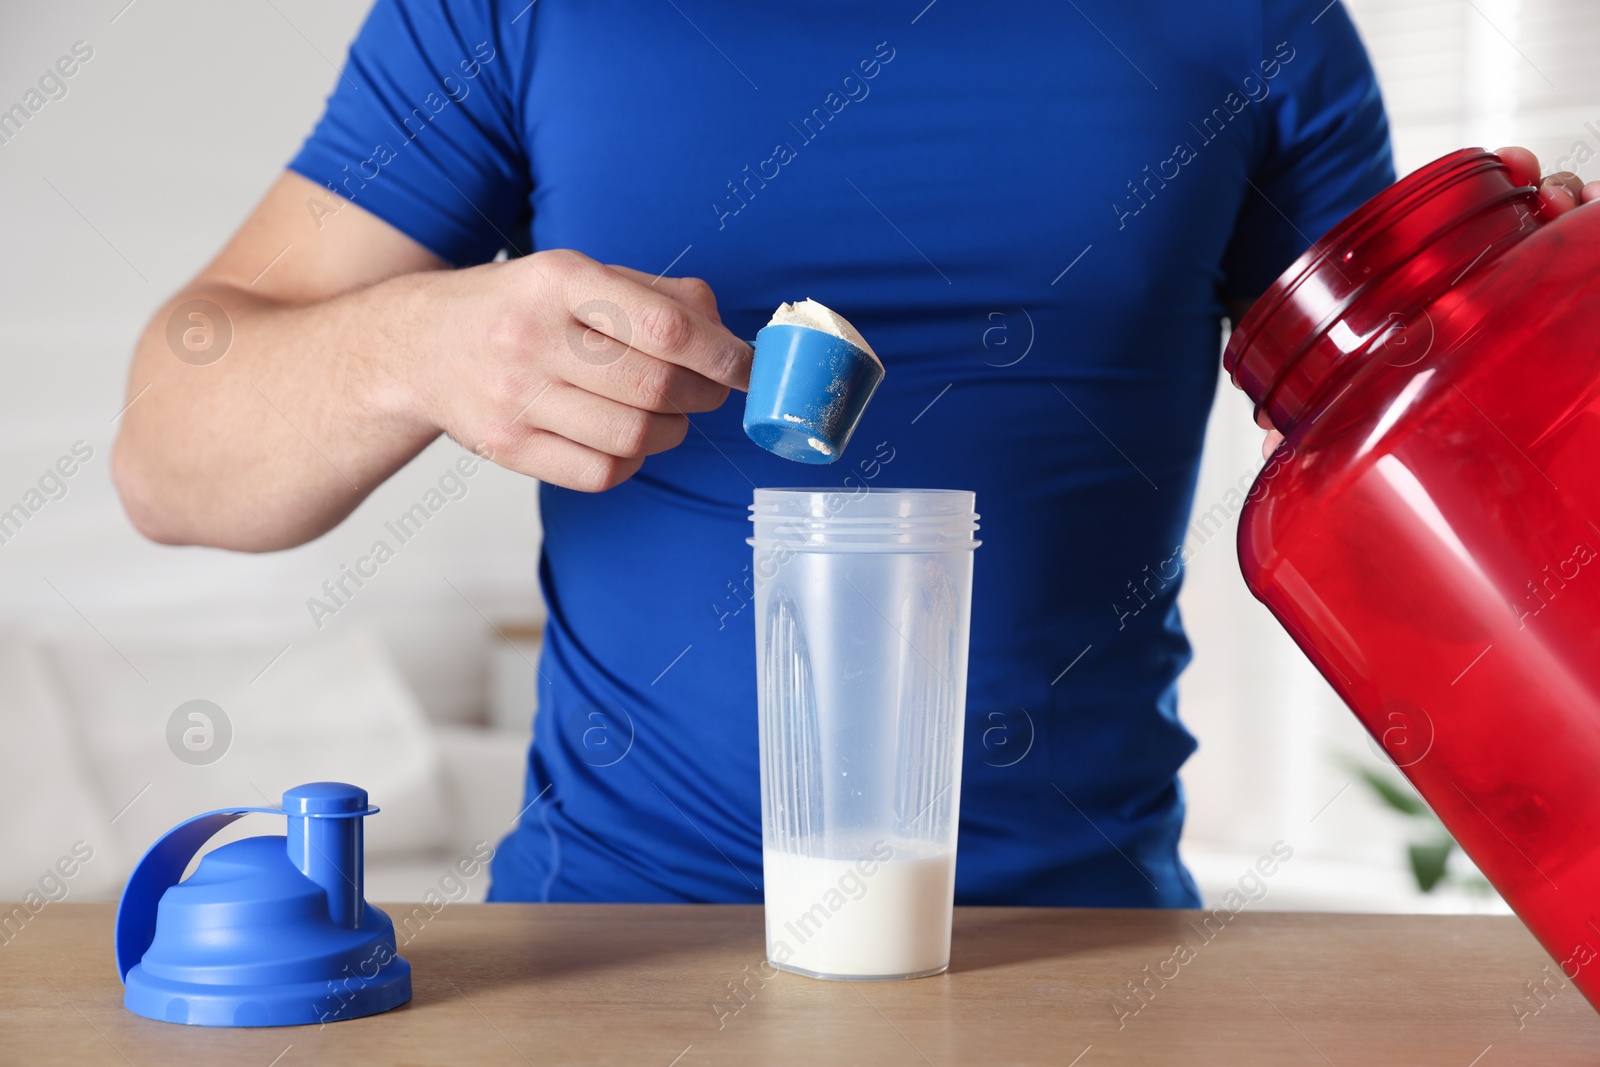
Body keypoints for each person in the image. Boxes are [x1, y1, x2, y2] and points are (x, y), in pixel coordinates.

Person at [113, 0, 1598, 906]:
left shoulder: (1249, 15)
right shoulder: (521, 5)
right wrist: (417, 346)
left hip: (1084, 963)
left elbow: (1448, 479)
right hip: (616, 960)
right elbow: (168, 462)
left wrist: (1550, 330)